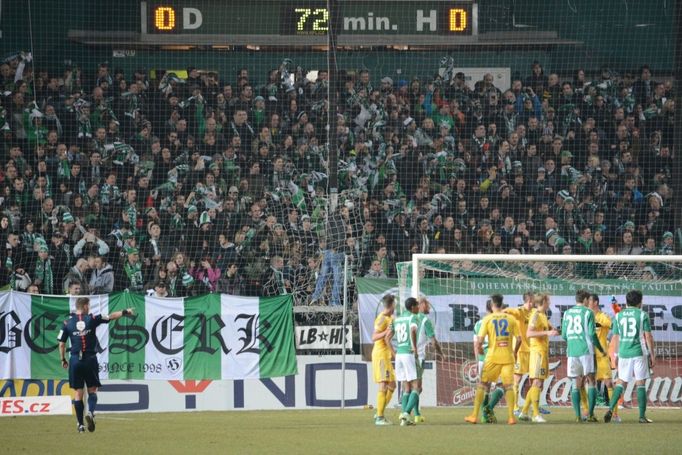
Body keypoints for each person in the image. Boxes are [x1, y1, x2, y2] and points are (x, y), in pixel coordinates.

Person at [58, 297, 135, 433]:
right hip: (89, 359)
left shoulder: (67, 323)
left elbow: (61, 343)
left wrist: (63, 359)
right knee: (92, 390)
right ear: (86, 306)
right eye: (89, 305)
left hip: (75, 360)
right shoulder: (92, 319)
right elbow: (111, 316)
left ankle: (80, 425)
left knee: (78, 393)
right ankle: (91, 412)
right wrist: (125, 311)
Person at [465, 294, 521, 425]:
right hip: (508, 357)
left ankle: (474, 415)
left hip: (492, 357)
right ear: (502, 304)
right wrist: (515, 352)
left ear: (491, 305)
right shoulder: (511, 319)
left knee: (482, 384)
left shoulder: (487, 319)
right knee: (508, 386)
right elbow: (519, 339)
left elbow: (479, 341)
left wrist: (479, 350)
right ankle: (511, 417)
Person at [604, 290, 655, 424]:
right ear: (640, 302)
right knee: (640, 383)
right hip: (639, 352)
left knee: (621, 382)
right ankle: (642, 416)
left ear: (626, 302)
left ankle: (610, 409)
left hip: (624, 353)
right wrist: (652, 355)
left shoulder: (619, 316)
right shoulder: (642, 315)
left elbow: (615, 337)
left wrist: (615, 354)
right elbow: (648, 336)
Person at [561, 289, 605, 423]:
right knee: (591, 381)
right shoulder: (588, 312)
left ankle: (578, 416)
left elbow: (564, 335)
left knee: (576, 383)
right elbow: (592, 334)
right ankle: (591, 415)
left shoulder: (567, 313)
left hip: (572, 351)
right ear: (585, 299)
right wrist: (600, 349)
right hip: (586, 351)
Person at [518, 293, 559, 423]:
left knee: (538, 383)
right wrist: (547, 332)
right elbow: (529, 333)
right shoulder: (535, 315)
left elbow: (548, 328)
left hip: (542, 352)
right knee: (537, 383)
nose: (550, 302)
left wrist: (553, 329)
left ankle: (524, 412)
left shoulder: (542, 315)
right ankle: (536, 414)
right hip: (537, 352)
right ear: (544, 301)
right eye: (549, 300)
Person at [386, 297, 420, 426]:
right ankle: (405, 413)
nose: (418, 308)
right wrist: (414, 347)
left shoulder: (396, 319)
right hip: (408, 354)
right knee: (416, 387)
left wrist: (394, 354)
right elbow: (412, 330)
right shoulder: (413, 317)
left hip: (399, 354)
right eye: (417, 305)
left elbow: (387, 338)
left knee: (406, 388)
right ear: (412, 307)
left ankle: (403, 420)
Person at [503, 291, 534, 415]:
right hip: (520, 350)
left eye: (533, 301)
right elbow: (506, 311)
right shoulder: (519, 312)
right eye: (530, 301)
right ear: (526, 301)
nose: (532, 304)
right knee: (517, 379)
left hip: (532, 350)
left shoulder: (533, 313)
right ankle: (515, 407)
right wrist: (499, 314)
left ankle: (533, 406)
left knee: (536, 380)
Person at [412, 297, 443, 423]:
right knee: (417, 388)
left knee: (412, 387)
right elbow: (433, 341)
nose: (429, 307)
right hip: (418, 356)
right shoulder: (425, 320)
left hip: (406, 355)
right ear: (420, 305)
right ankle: (406, 412)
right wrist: (441, 353)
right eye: (427, 305)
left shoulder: (410, 318)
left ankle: (416, 414)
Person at [473, 298, 503, 423]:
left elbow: (476, 344)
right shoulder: (498, 322)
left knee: (484, 387)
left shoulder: (478, 323)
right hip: (494, 358)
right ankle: (488, 410)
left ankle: (485, 416)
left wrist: (477, 361)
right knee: (503, 385)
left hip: (481, 359)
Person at [587, 293, 617, 420]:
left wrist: (610, 340)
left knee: (609, 383)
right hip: (588, 355)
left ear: (596, 302)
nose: (587, 302)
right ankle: (588, 413)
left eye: (589, 300)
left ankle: (614, 413)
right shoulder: (586, 316)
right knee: (587, 383)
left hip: (601, 356)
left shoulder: (602, 317)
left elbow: (614, 327)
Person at [371, 294, 396, 425]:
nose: (395, 306)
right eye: (394, 303)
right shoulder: (381, 319)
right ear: (391, 305)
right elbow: (374, 337)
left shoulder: (390, 317)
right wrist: (385, 332)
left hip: (386, 355)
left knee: (392, 385)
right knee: (384, 383)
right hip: (380, 355)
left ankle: (379, 412)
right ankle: (380, 417)